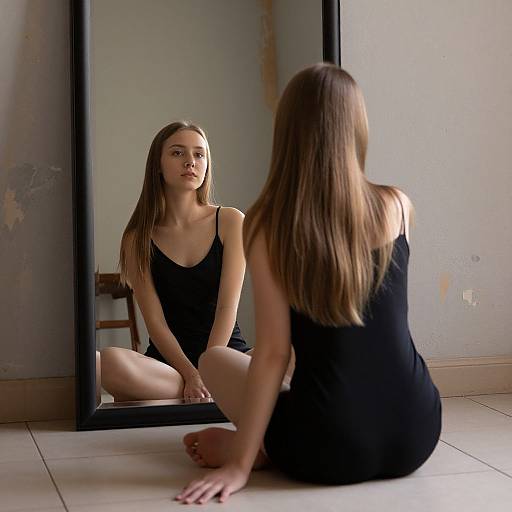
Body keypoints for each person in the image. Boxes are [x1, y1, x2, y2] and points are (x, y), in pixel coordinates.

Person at [175, 64, 442, 504]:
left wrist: (238, 465)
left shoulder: (269, 224)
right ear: (356, 128)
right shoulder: (397, 205)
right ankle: (264, 441)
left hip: (328, 449)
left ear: (288, 132)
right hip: (418, 431)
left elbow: (274, 354)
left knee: (217, 359)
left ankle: (256, 449)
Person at [98, 121, 251, 401]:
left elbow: (227, 307)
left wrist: (208, 369)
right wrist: (191, 374)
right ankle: (199, 390)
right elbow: (155, 321)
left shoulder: (230, 222)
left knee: (296, 355)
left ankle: (202, 390)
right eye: (178, 153)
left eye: (199, 154)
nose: (190, 162)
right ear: (157, 164)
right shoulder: (137, 238)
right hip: (170, 367)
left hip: (227, 358)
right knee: (108, 362)